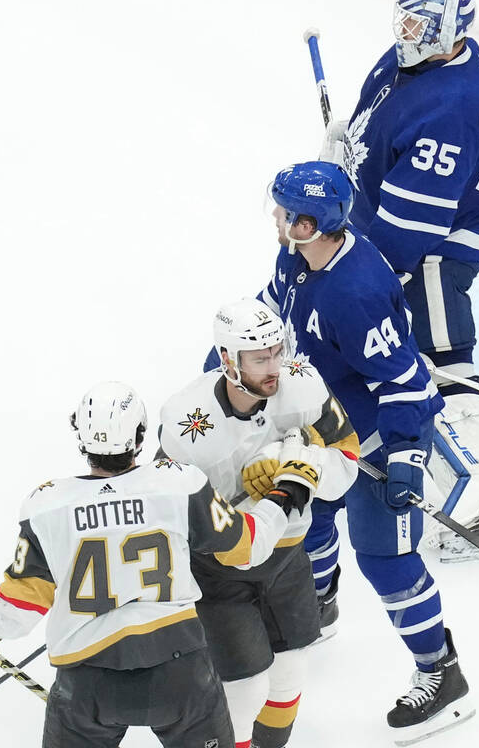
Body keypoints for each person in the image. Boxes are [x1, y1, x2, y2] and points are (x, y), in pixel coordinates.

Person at [0, 382, 307, 747]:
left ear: (80, 438)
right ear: (140, 436)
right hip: (181, 674)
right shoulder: (179, 485)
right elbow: (248, 546)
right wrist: (285, 493)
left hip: (87, 685)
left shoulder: (47, 507)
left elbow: (13, 614)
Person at [321, 0, 479, 559]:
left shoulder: (452, 105)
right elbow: (379, 119)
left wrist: (361, 276)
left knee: (447, 368)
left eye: (419, 26)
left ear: (451, 33)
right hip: (393, 231)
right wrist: (352, 148)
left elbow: (417, 224)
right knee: (412, 362)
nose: (405, 33)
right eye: (405, 22)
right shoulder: (411, 60)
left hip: (439, 249)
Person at [260, 160, 474, 744]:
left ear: (310, 224)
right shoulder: (299, 257)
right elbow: (275, 316)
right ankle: (319, 604)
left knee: (385, 560)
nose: (276, 218)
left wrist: (405, 457)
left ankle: (441, 672)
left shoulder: (355, 292)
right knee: (307, 519)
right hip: (328, 432)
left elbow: (407, 382)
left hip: (380, 441)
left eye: (286, 212)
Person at [159, 299, 361, 748]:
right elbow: (165, 510)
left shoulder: (303, 386)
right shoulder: (185, 421)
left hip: (287, 555)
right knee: (244, 689)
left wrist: (297, 459)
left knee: (289, 674)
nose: (275, 366)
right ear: (228, 360)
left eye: (277, 351)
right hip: (220, 570)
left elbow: (347, 456)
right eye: (260, 358)